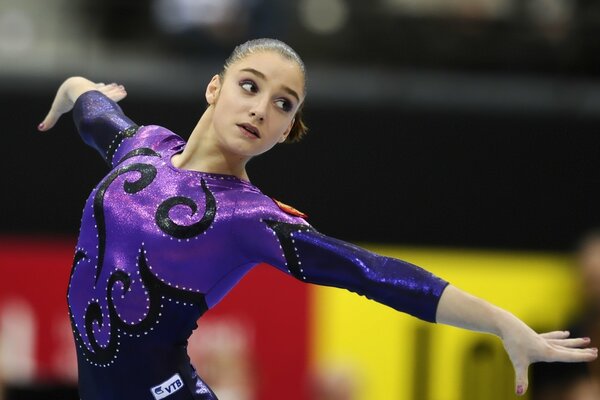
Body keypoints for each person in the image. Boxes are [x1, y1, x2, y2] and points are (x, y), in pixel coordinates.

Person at [38, 38, 596, 400]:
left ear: (286, 132)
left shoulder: (253, 219)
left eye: (284, 104)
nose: (261, 107)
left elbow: (373, 273)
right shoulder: (144, 147)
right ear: (215, 87)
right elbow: (87, 103)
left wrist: (501, 322)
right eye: (250, 86)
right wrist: (75, 92)